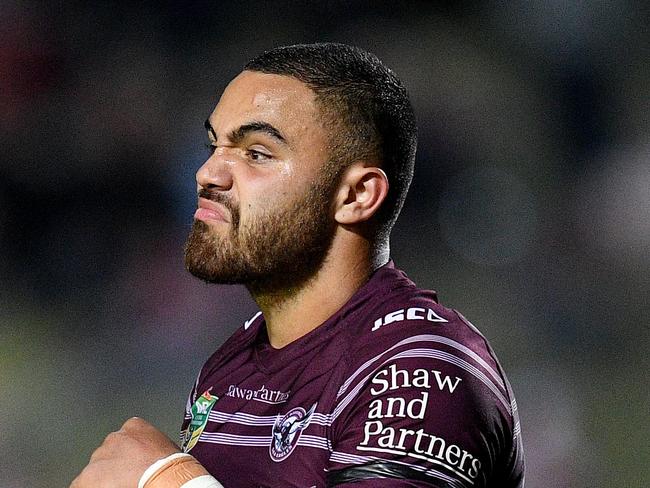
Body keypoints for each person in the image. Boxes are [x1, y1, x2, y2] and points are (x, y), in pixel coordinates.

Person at [71, 43, 524, 488]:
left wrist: (168, 480)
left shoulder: (419, 368)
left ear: (356, 196)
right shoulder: (230, 366)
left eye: (257, 153)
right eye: (215, 144)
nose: (208, 172)